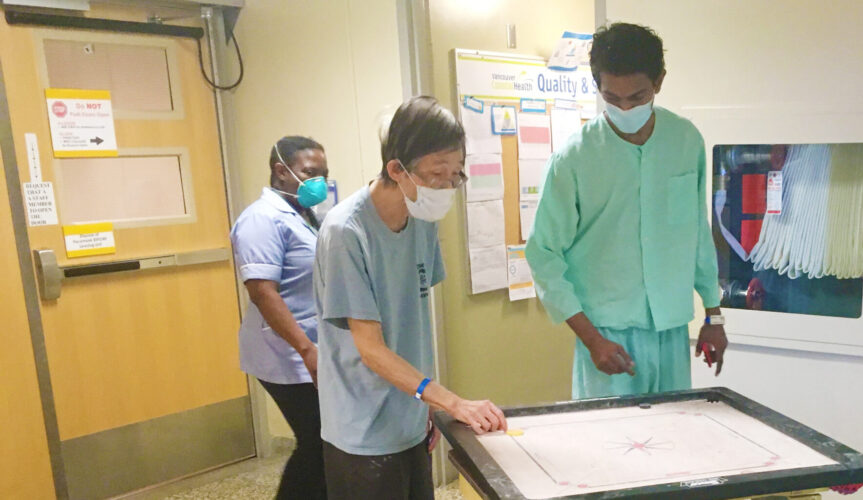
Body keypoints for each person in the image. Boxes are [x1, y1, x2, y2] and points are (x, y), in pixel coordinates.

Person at [315, 97, 507, 499]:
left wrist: (425, 407)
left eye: (455, 174)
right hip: (361, 430)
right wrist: (451, 402)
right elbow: (370, 349)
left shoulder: (421, 219)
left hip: (410, 417)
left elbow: (414, 322)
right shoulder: (346, 233)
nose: (446, 185)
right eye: (437, 174)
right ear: (396, 169)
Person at [526, 22, 727, 399]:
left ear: (659, 81)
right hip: (606, 337)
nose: (625, 107)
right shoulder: (574, 159)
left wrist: (713, 316)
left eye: (637, 96)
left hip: (669, 329)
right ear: (597, 87)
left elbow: (696, 234)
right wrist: (591, 340)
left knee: (674, 444)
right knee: (608, 451)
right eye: (612, 97)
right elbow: (543, 254)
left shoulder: (685, 141)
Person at [230, 136, 329, 500]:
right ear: (280, 171)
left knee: (323, 444)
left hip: (311, 349)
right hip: (286, 353)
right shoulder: (260, 219)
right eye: (309, 172)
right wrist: (306, 348)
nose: (317, 180)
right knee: (318, 443)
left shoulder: (304, 214)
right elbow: (262, 292)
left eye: (323, 173)